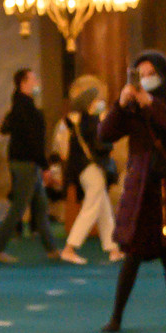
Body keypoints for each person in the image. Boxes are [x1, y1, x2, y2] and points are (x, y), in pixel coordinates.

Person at [99, 52, 166, 331]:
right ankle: (116, 317)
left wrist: (153, 104)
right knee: (132, 254)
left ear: (163, 74)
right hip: (141, 187)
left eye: (150, 73)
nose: (146, 79)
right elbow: (105, 134)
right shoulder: (131, 105)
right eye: (140, 74)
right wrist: (120, 105)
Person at [0, 68, 58, 263]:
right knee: (19, 208)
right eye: (33, 79)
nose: (36, 82)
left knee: (40, 206)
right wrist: (44, 166)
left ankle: (52, 250)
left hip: (25, 162)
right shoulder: (25, 108)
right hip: (27, 163)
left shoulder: (19, 106)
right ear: (23, 83)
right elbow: (33, 140)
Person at [56, 82, 118, 266]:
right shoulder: (92, 122)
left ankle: (113, 248)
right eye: (97, 99)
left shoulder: (80, 121)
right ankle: (70, 248)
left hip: (83, 169)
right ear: (90, 103)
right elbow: (101, 145)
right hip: (91, 168)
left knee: (103, 208)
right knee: (91, 208)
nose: (101, 102)